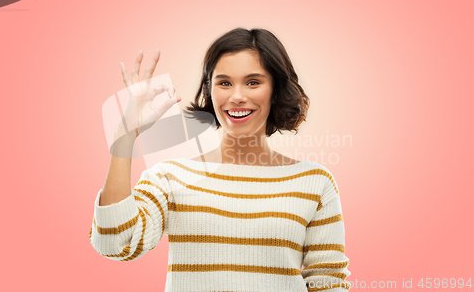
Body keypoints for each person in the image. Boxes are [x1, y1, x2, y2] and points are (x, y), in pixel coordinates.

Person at [89, 28, 351, 292]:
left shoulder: (315, 183)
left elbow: (328, 283)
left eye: (253, 82)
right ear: (209, 91)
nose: (236, 96)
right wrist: (124, 136)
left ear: (275, 90)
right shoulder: (171, 178)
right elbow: (115, 242)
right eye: (224, 83)